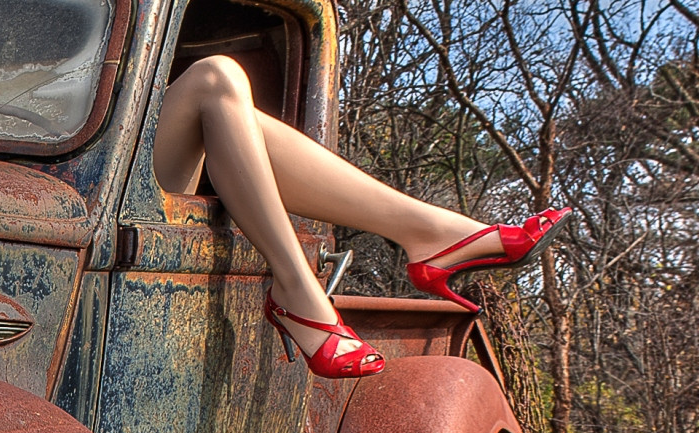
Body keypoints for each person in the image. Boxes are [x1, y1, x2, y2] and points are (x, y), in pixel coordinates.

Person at [154, 55, 566, 379]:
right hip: (92, 178)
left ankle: (428, 234)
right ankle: (306, 284)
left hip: (119, 160)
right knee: (215, 77)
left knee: (227, 96)